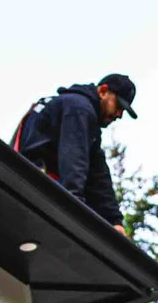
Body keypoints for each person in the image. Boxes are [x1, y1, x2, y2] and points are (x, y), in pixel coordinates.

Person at [11, 74, 138, 234]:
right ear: (103, 91)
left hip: (30, 183)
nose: (119, 114)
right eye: (118, 105)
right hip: (31, 185)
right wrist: (75, 212)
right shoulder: (79, 109)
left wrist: (114, 220)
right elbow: (74, 162)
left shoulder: (78, 111)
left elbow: (98, 174)